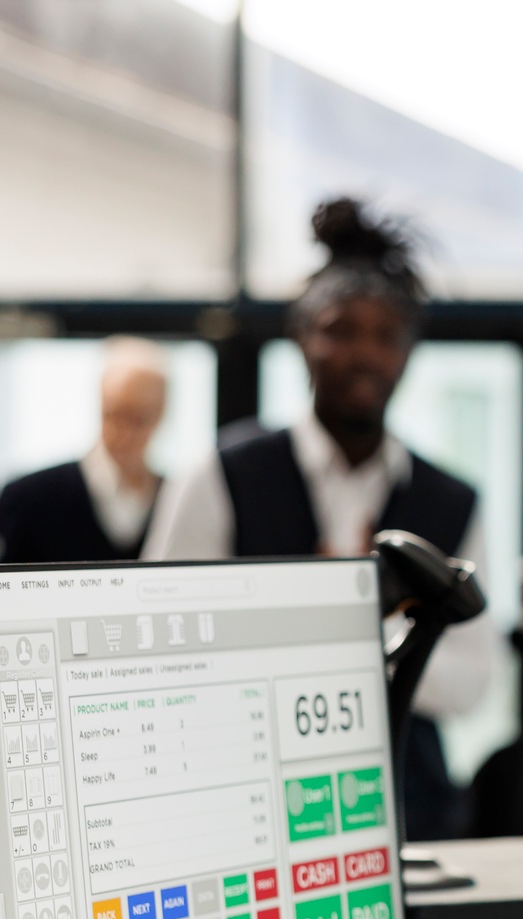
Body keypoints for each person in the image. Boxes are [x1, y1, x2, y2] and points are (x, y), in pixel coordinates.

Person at [144, 198, 498, 840]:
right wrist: (345, 626)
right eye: (340, 330)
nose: (364, 354)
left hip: (406, 811)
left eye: (385, 336)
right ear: (303, 338)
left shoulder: (450, 501)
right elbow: (163, 651)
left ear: (408, 351)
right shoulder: (224, 474)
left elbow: (474, 680)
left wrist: (344, 631)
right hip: (245, 807)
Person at [0, 337, 167, 563]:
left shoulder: (176, 499)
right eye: (114, 415)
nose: (125, 433)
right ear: (100, 404)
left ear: (161, 414)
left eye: (139, 419)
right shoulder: (27, 499)